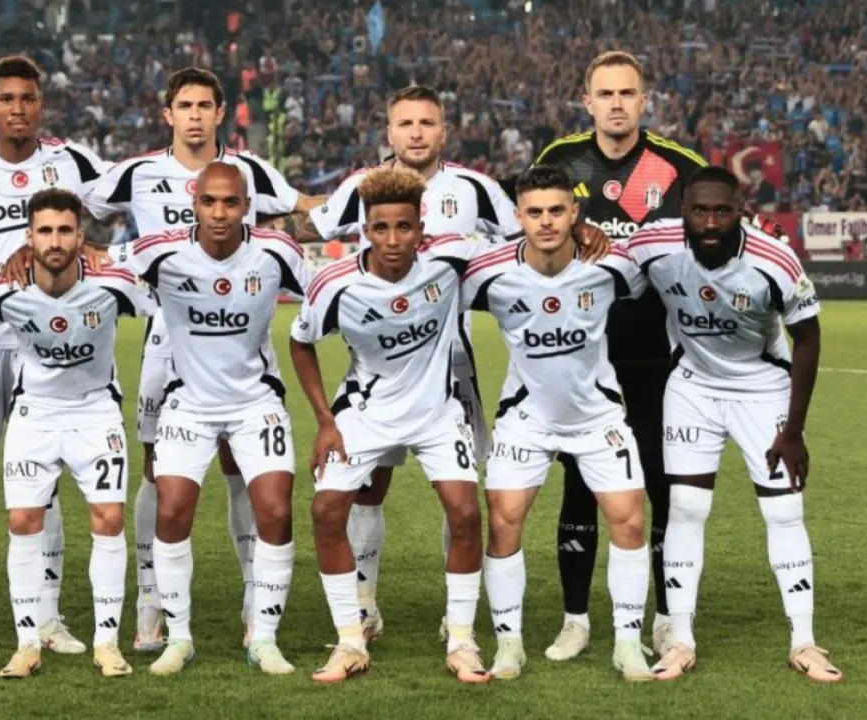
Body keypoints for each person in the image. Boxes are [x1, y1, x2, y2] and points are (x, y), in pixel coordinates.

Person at [83, 67, 322, 651]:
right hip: (166, 340)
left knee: (245, 468)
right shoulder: (138, 172)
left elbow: (307, 209)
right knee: (156, 471)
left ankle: (254, 599)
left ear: (220, 113)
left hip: (241, 338)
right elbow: (76, 205)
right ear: (168, 114)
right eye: (184, 105)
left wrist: (371, 199)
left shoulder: (250, 170)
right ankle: (150, 601)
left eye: (204, 106)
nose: (194, 115)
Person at [277, 85, 519, 640]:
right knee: (368, 486)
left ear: (443, 131)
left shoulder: (476, 188)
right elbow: (310, 228)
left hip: (453, 365)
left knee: (459, 493)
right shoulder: (363, 188)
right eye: (405, 123)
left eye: (426, 122)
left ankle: (456, 617)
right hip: (379, 367)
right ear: (388, 132)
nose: (416, 132)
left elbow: (521, 239)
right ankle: (363, 602)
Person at [0, 54, 111, 658]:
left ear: (41, 105)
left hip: (49, 344)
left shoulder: (74, 161)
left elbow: (120, 207)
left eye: (28, 98)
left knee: (45, 481)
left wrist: (94, 249)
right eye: (6, 98)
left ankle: (48, 617)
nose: (18, 108)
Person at [627, 167, 840, 683]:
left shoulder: (774, 260)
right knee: (686, 508)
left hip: (763, 390)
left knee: (784, 511)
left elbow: (808, 338)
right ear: (683, 210)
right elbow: (600, 267)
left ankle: (804, 642)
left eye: (722, 211)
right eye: (700, 210)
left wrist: (794, 430)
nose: (710, 222)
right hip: (692, 388)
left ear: (741, 211)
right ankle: (680, 640)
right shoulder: (651, 246)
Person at [529, 50, 707, 660]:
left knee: (661, 484)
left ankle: (666, 617)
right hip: (582, 358)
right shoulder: (558, 161)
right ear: (587, 101)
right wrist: (573, 232)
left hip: (659, 357)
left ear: (644, 100)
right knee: (580, 486)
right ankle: (575, 619)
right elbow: (533, 233)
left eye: (627, 93)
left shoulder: (680, 168)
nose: (616, 104)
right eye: (605, 94)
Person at [288, 166, 490, 685]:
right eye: (381, 228)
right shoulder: (336, 283)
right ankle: (351, 639)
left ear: (421, 227)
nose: (393, 239)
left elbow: (523, 247)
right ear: (365, 230)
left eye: (404, 227)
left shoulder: (450, 258)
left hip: (437, 412)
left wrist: (582, 231)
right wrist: (325, 420)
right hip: (365, 412)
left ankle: (462, 641)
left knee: (466, 514)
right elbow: (301, 342)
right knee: (326, 512)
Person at [120, 162, 313, 676]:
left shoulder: (276, 252)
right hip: (189, 402)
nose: (220, 212)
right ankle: (179, 637)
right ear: (195, 205)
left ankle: (264, 637)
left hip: (256, 402)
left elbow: (329, 289)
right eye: (209, 202)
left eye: (230, 202)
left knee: (276, 512)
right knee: (170, 511)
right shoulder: (160, 252)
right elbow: (94, 263)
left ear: (247, 207)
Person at [463, 165, 653, 682]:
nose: (546, 221)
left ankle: (628, 645)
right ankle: (509, 645)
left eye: (556, 211)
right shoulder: (488, 271)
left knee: (630, 522)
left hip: (597, 415)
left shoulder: (611, 264)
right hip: (526, 416)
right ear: (518, 217)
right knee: (504, 522)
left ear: (575, 213)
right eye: (534, 212)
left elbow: (657, 282)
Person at [0, 188, 152, 679]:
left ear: (81, 236)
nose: (55, 241)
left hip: (96, 414)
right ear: (29, 237)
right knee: (22, 522)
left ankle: (106, 643)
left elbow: (165, 291)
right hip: (33, 415)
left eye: (65, 231)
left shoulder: (114, 284)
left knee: (109, 520)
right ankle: (27, 644)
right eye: (45, 231)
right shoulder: (2, 291)